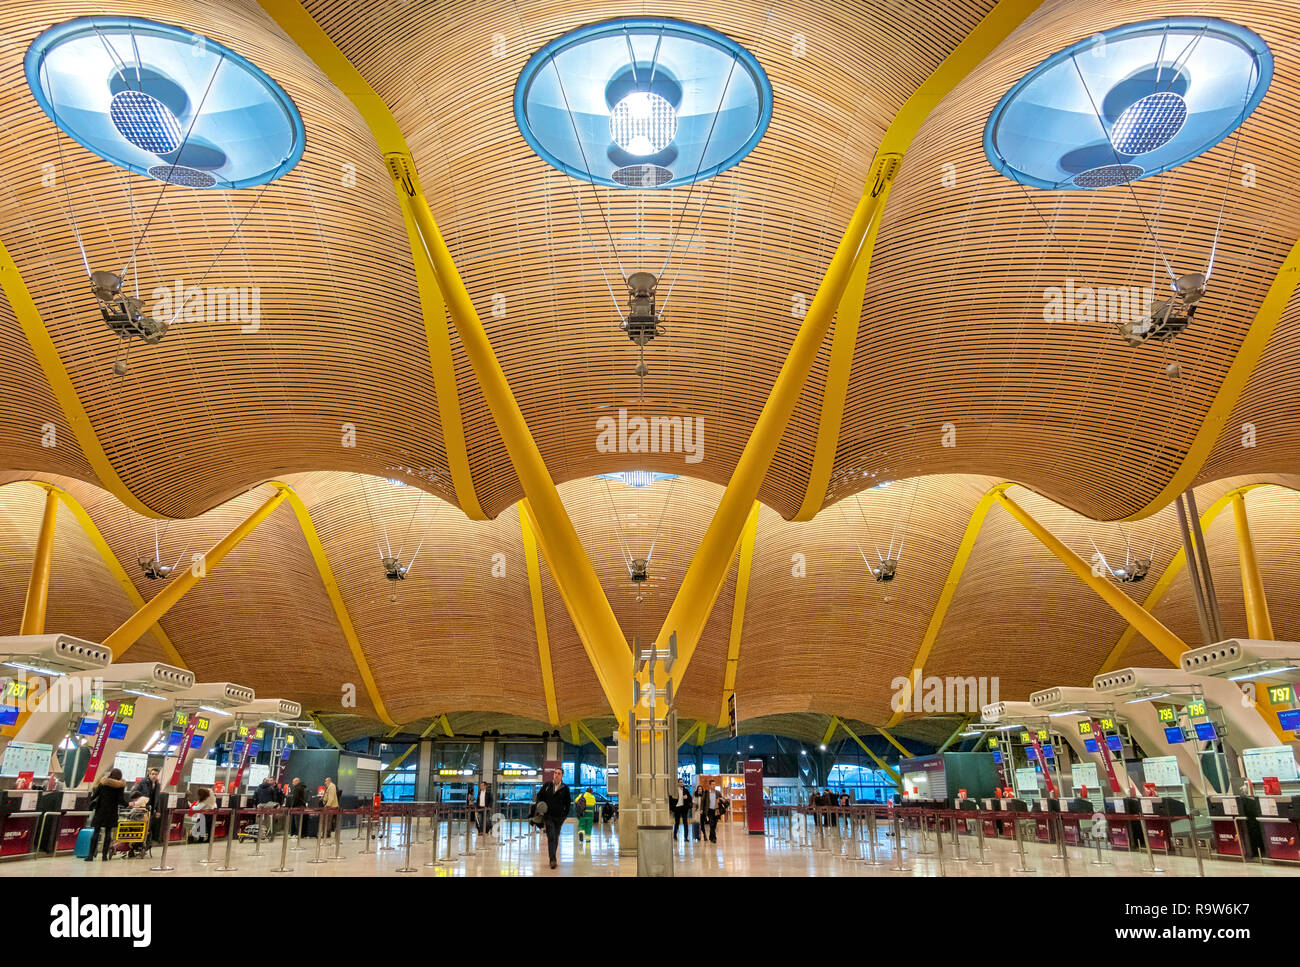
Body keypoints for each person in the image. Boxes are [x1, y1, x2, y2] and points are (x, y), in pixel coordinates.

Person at [86, 768, 128, 861]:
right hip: (112, 812)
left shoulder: (103, 783)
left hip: (101, 810)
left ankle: (90, 855)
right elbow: (121, 800)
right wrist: (128, 804)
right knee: (108, 833)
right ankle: (104, 856)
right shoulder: (120, 786)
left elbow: (94, 796)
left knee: (96, 832)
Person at [535, 767, 571, 870]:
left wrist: (564, 816)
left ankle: (553, 857)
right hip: (548, 816)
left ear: (562, 776)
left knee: (555, 838)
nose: (556, 775)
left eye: (559, 773)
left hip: (559, 818)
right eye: (555, 773)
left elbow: (568, 804)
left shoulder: (565, 788)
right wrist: (540, 807)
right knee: (551, 837)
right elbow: (539, 796)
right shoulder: (547, 785)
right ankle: (552, 859)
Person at [131, 768, 162, 843]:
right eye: (152, 774)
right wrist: (138, 801)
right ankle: (134, 844)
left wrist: (158, 810)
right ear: (149, 774)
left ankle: (143, 844)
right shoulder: (143, 782)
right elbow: (133, 792)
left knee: (147, 828)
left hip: (150, 809)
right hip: (142, 809)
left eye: (156, 774)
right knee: (139, 827)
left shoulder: (157, 784)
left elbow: (158, 798)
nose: (154, 776)